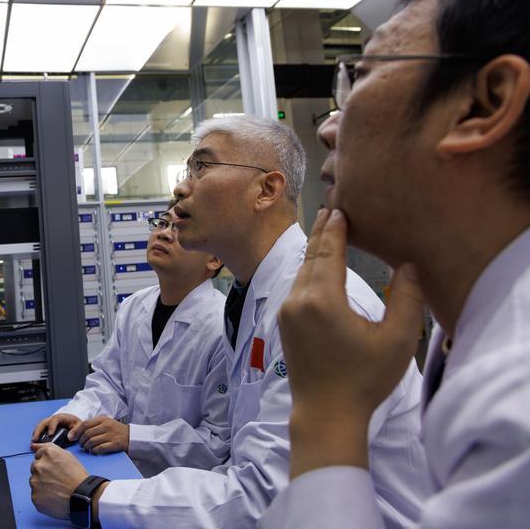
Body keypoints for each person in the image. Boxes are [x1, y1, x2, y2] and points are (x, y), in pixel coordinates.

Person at [30, 115, 430, 527]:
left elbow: (271, 498)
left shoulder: (326, 306)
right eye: (187, 171)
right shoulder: (253, 300)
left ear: (266, 190)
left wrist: (92, 495)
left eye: (202, 167)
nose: (181, 187)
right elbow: (246, 467)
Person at [261, 0, 530, 528]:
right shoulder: (470, 331)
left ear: (484, 104)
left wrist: (328, 417)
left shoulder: (519, 403)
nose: (330, 125)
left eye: (362, 77)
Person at [31, 205, 230, 477]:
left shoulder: (222, 327)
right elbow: (110, 383)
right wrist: (78, 413)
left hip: (186, 490)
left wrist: (132, 437)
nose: (164, 234)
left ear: (215, 259)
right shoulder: (135, 307)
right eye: (162, 223)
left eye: (180, 228)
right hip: (126, 472)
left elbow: (218, 441)